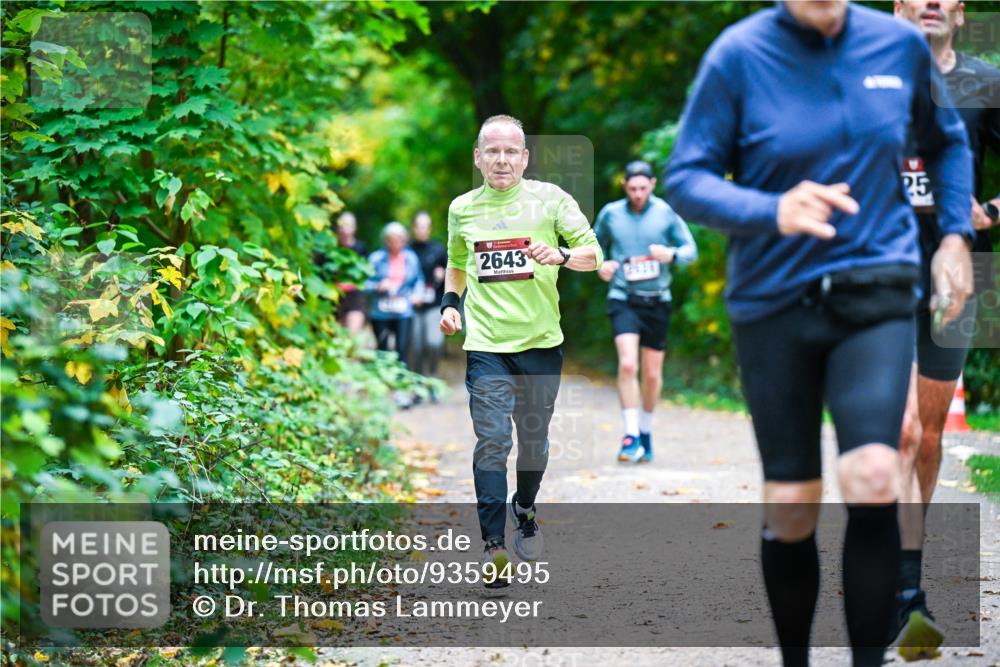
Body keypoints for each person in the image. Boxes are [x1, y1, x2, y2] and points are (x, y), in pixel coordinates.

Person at [663, 2, 974, 666]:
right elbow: (686, 178)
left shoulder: (896, 48)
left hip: (877, 286)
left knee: (873, 469)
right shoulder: (738, 55)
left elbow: (948, 142)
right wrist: (771, 208)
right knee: (793, 504)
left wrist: (954, 234)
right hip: (774, 299)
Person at [439, 114, 602, 585]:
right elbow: (456, 263)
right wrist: (451, 305)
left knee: (534, 444)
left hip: (540, 343)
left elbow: (595, 254)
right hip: (486, 344)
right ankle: (493, 548)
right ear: (478, 157)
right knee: (493, 441)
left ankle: (525, 508)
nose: (502, 159)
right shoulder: (462, 208)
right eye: (493, 150)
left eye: (512, 151)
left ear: (525, 158)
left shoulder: (551, 200)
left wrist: (563, 255)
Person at [892, 0, 999, 658]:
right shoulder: (863, 77)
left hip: (955, 279)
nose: (930, 0)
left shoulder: (985, 84)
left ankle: (904, 544)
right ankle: (907, 590)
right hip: (876, 273)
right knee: (902, 428)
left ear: (958, 9)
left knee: (927, 434)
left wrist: (988, 209)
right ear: (896, 6)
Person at [595, 160, 697, 464]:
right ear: (625, 186)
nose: (638, 193)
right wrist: (600, 265)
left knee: (652, 376)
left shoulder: (666, 212)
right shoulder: (611, 213)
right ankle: (630, 436)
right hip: (623, 296)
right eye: (632, 188)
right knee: (628, 365)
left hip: (657, 300)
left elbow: (690, 250)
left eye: (643, 188)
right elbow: (590, 246)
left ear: (652, 185)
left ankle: (645, 430)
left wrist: (673, 255)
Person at [366, 222, 424, 375]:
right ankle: (383, 379)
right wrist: (377, 286)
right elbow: (364, 283)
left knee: (402, 348)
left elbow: (418, 279)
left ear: (404, 240)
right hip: (380, 310)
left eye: (399, 239)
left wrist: (418, 294)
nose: (395, 243)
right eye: (391, 239)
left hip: (403, 310)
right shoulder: (376, 258)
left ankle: (400, 381)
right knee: (382, 348)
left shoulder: (410, 258)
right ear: (385, 240)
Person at [408, 211, 448, 384]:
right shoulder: (406, 250)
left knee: (433, 342)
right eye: (419, 226)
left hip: (433, 305)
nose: (422, 230)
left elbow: (455, 273)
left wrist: (444, 273)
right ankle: (419, 382)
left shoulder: (438, 249)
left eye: (425, 226)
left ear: (429, 229)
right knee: (416, 346)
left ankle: (432, 376)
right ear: (414, 228)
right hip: (412, 306)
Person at [334, 211, 369, 335]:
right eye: (342, 225)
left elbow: (366, 274)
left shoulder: (361, 248)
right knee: (336, 339)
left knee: (351, 339)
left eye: (349, 225)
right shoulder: (329, 248)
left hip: (355, 297)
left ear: (354, 228)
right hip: (334, 298)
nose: (345, 229)